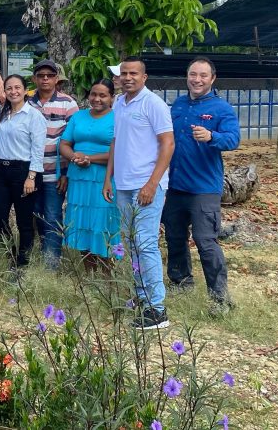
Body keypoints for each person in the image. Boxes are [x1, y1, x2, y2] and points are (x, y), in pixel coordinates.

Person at [164, 57, 240, 316]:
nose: (197, 79)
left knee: (206, 241)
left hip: (204, 188)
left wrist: (212, 136)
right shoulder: (179, 105)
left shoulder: (221, 109)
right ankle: (180, 282)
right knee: (174, 236)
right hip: (175, 185)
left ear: (212, 79)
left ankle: (219, 297)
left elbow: (233, 139)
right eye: (193, 74)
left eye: (203, 75)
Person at [103, 56, 174, 330]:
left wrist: (152, 183)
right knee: (131, 244)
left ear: (144, 77)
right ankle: (143, 298)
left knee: (145, 244)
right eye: (123, 74)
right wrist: (109, 178)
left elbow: (167, 144)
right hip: (123, 185)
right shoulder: (120, 103)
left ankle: (157, 310)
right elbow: (116, 141)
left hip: (147, 186)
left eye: (133, 73)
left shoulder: (153, 104)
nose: (128, 77)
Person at [58, 78, 120, 272]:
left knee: (102, 224)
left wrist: (89, 158)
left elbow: (120, 151)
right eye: (94, 94)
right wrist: (75, 158)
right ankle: (89, 274)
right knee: (82, 222)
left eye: (103, 95)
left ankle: (107, 275)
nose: (97, 99)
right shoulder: (78, 116)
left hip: (104, 179)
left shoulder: (118, 118)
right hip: (79, 178)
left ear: (111, 97)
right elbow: (64, 144)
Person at [0, 74, 46, 268]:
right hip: (1, 171)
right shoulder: (2, 114)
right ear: (4, 91)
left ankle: (23, 263)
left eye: (17, 87)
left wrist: (31, 177)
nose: (13, 91)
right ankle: (11, 253)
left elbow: (38, 149)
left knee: (24, 221)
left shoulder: (33, 116)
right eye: (9, 88)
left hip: (24, 171)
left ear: (25, 90)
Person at [26, 59, 79, 268]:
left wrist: (66, 173)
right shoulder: (27, 101)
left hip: (55, 173)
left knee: (53, 215)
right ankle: (41, 257)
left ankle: (52, 265)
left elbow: (72, 140)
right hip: (31, 172)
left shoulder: (68, 103)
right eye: (41, 75)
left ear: (57, 78)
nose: (45, 79)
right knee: (36, 215)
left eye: (49, 75)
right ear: (34, 79)